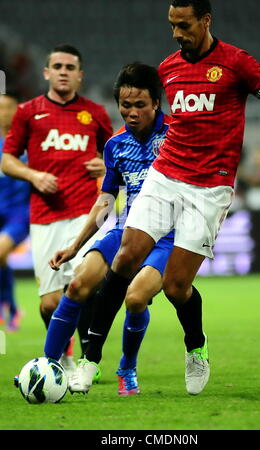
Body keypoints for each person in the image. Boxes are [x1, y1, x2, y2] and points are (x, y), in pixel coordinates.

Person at [78, 0, 260, 396]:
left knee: (177, 286)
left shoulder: (237, 62)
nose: (177, 33)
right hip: (166, 175)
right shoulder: (167, 69)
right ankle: (90, 358)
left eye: (184, 25)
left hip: (209, 187)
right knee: (127, 254)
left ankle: (196, 345)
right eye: (172, 25)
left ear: (206, 20)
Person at [43, 62, 178, 396]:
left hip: (167, 237)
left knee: (135, 300)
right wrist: (75, 246)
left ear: (156, 103)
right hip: (127, 228)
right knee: (77, 284)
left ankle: (127, 368)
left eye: (140, 105)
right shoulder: (115, 145)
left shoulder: (177, 136)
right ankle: (49, 366)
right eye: (125, 105)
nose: (131, 113)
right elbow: (106, 200)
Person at [1, 44, 113, 374]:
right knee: (50, 302)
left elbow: (118, 155)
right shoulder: (28, 113)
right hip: (45, 217)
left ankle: (86, 359)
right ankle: (62, 353)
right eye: (58, 66)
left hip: (85, 214)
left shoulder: (95, 113)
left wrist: (104, 166)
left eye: (70, 67)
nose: (64, 71)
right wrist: (33, 174)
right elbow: (7, 160)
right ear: (47, 72)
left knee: (83, 285)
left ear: (80, 75)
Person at [0, 93, 30, 331]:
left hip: (21, 212)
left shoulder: (28, 142)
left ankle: (8, 306)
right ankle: (11, 307)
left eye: (8, 107)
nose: (4, 112)